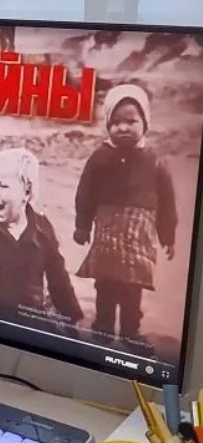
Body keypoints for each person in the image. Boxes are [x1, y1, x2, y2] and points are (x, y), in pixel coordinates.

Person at [73, 83, 176, 345]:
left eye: (131, 121)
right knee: (105, 286)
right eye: (116, 122)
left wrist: (168, 237)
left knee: (133, 289)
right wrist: (82, 226)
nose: (123, 127)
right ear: (108, 125)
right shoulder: (100, 158)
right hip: (107, 238)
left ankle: (131, 332)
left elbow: (167, 202)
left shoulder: (154, 161)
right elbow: (85, 193)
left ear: (145, 123)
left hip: (138, 240)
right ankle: (103, 328)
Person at [0, 147, 82, 327]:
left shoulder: (41, 228)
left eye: (3, 186)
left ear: (27, 192)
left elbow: (58, 275)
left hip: (30, 316)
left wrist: (70, 314)